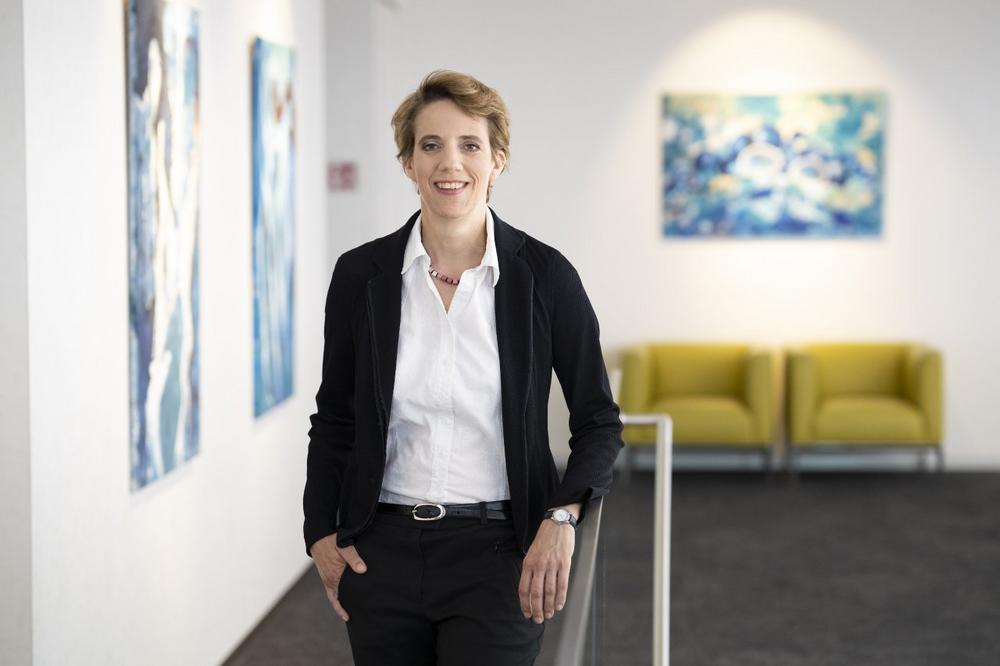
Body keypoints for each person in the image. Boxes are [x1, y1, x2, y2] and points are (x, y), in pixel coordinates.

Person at [303, 70, 623, 665]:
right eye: (431, 145)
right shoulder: (361, 276)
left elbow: (599, 421)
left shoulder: (546, 277)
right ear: (408, 162)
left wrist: (562, 516)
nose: (450, 163)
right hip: (381, 553)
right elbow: (336, 418)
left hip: (501, 554)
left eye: (469, 145)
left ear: (498, 160)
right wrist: (319, 532)